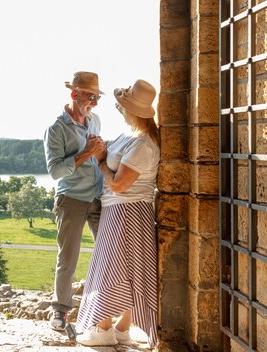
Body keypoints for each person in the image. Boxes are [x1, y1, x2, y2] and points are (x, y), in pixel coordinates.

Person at [75, 79, 160, 348]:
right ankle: (121, 329)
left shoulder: (143, 144)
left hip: (127, 212)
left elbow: (120, 185)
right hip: (121, 211)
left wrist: (101, 160)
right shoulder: (132, 136)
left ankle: (103, 330)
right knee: (123, 269)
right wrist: (104, 149)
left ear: (132, 110)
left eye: (121, 106)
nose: (119, 109)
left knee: (113, 269)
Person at [43, 71, 107, 331]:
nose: (94, 102)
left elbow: (99, 156)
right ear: (74, 94)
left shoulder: (95, 121)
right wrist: (85, 153)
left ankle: (103, 309)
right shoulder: (56, 129)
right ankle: (59, 312)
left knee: (108, 254)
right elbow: (55, 171)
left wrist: (101, 150)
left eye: (96, 98)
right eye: (90, 97)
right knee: (68, 258)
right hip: (71, 199)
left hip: (99, 197)